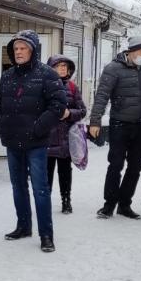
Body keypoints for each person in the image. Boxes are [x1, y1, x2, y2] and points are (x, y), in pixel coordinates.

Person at [0, 30, 66, 252]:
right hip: (13, 140)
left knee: (40, 189)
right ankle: (23, 226)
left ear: (33, 50)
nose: (19, 52)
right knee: (18, 186)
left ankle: (46, 235)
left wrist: (38, 128)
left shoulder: (47, 75)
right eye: (15, 49)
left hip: (35, 143)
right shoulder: (7, 76)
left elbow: (57, 105)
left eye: (23, 48)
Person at [88, 37, 141, 220]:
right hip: (119, 124)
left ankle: (125, 205)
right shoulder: (113, 69)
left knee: (135, 167)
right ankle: (109, 205)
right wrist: (95, 122)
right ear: (131, 51)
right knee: (115, 165)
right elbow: (101, 97)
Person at [45, 53, 87, 215]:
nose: (63, 69)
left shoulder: (72, 87)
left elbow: (82, 111)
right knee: (46, 173)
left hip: (65, 139)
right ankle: (45, 201)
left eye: (65, 66)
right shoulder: (43, 86)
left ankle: (66, 200)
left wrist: (69, 113)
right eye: (59, 66)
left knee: (65, 172)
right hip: (47, 138)